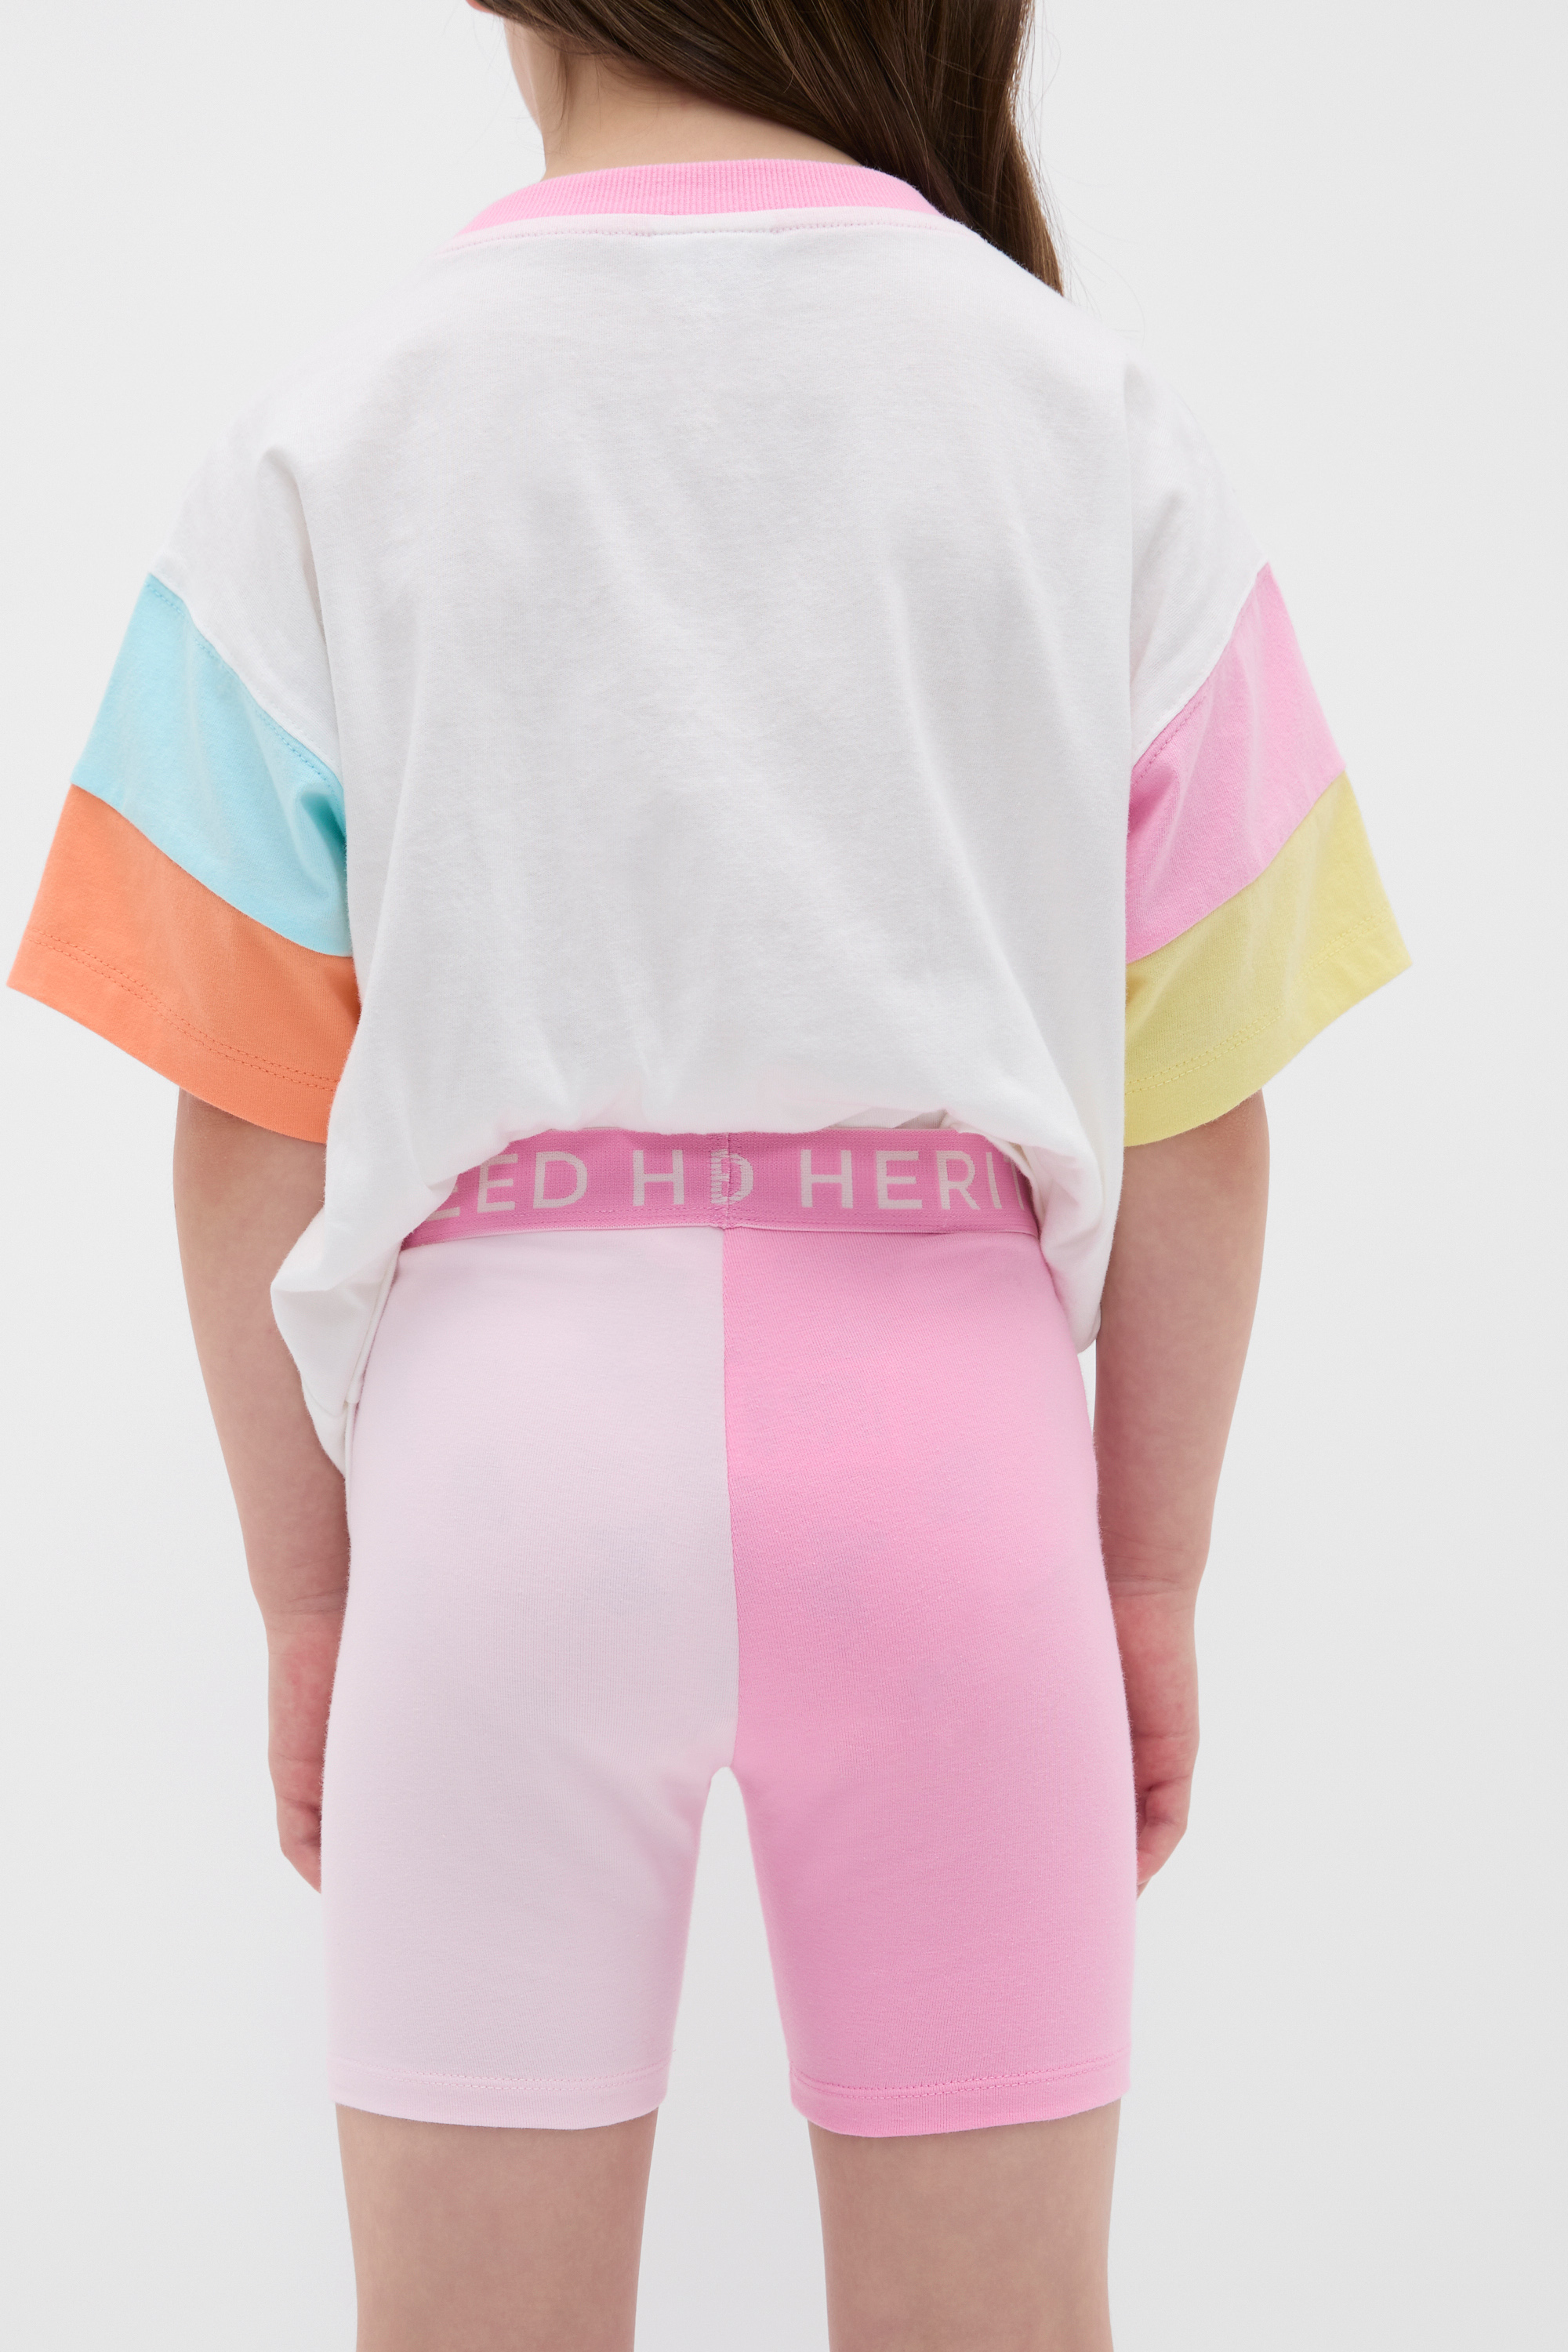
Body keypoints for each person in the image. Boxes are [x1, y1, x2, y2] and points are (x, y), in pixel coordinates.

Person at [7, 3, 1409, 2344]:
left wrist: (312, 1601)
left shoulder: (328, 434)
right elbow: (1201, 1109)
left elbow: (243, 1119)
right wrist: (1145, 1578)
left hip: (504, 1461)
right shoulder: (1093, 417)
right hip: (952, 1454)